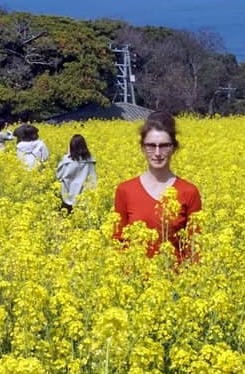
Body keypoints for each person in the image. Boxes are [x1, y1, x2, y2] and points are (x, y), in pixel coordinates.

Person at [114, 111, 202, 263]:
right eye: (151, 145)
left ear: (174, 148)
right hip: (135, 276)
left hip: (175, 276)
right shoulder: (125, 190)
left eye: (164, 146)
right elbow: (117, 242)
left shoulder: (189, 192)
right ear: (142, 148)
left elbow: (195, 247)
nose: (157, 153)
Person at [55, 134, 98, 213]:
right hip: (84, 198)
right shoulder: (90, 161)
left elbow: (59, 175)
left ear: (71, 147)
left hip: (68, 196)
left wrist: (67, 154)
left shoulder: (67, 161)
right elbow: (93, 179)